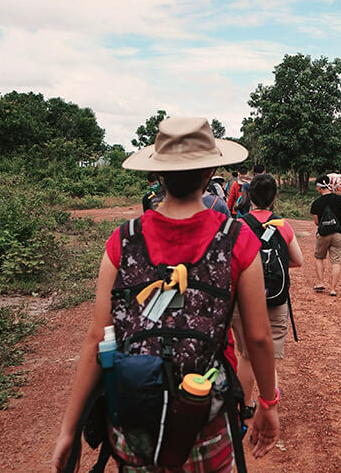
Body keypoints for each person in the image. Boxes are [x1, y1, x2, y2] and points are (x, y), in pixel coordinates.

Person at [51, 117, 280, 472]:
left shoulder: (123, 239)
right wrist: (268, 401)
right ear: (210, 172)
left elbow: (99, 338)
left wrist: (69, 429)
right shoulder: (237, 238)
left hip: (135, 417)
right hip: (205, 415)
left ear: (158, 175)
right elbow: (259, 338)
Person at [231, 173, 303, 418]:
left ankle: (245, 405)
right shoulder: (283, 225)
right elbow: (298, 260)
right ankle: (268, 406)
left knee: (245, 354)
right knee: (268, 355)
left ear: (249, 196)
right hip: (275, 298)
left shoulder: (238, 226)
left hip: (244, 301)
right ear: (274, 197)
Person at [309, 174, 341, 297]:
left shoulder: (316, 203)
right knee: (335, 262)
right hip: (337, 233)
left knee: (319, 258)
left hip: (323, 234)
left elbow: (317, 222)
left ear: (319, 188)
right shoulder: (339, 199)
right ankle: (333, 289)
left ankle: (321, 282)